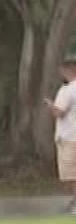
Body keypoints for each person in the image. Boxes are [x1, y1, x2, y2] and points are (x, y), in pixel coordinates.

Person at [47, 58, 76, 214]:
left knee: (71, 173)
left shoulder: (67, 90)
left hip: (70, 137)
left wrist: (50, 106)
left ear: (68, 71)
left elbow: (59, 112)